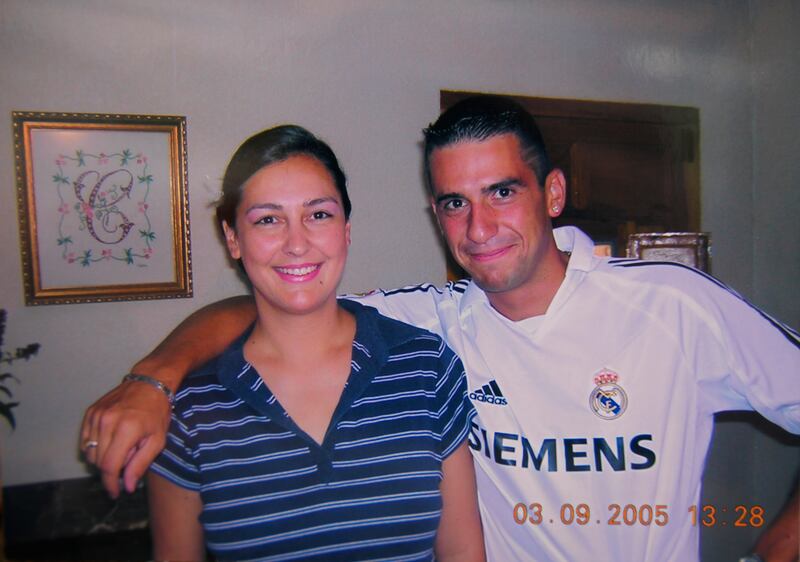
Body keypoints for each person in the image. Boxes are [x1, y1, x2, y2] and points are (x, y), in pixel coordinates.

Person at [81, 96, 800, 562]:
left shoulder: (675, 308)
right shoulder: (433, 324)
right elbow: (284, 298)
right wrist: (156, 378)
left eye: (502, 193)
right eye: (454, 202)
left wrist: (776, 551)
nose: (479, 227)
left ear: (552, 193)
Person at [138, 124, 485, 561]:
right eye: (268, 219)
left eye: (318, 214)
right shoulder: (190, 405)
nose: (297, 243)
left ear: (346, 229)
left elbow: (463, 553)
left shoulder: (425, 366)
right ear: (233, 239)